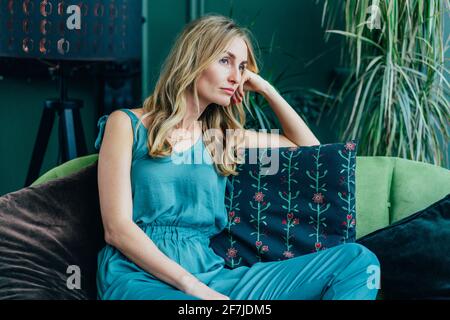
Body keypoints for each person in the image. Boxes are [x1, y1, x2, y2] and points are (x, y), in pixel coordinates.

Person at [95, 14, 380, 300]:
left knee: (357, 262)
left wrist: (267, 89)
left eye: (241, 67)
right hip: (139, 274)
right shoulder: (127, 124)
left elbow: (311, 151)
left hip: (211, 274)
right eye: (225, 61)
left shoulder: (219, 139)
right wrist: (194, 288)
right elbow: (117, 229)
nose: (236, 76)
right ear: (193, 59)